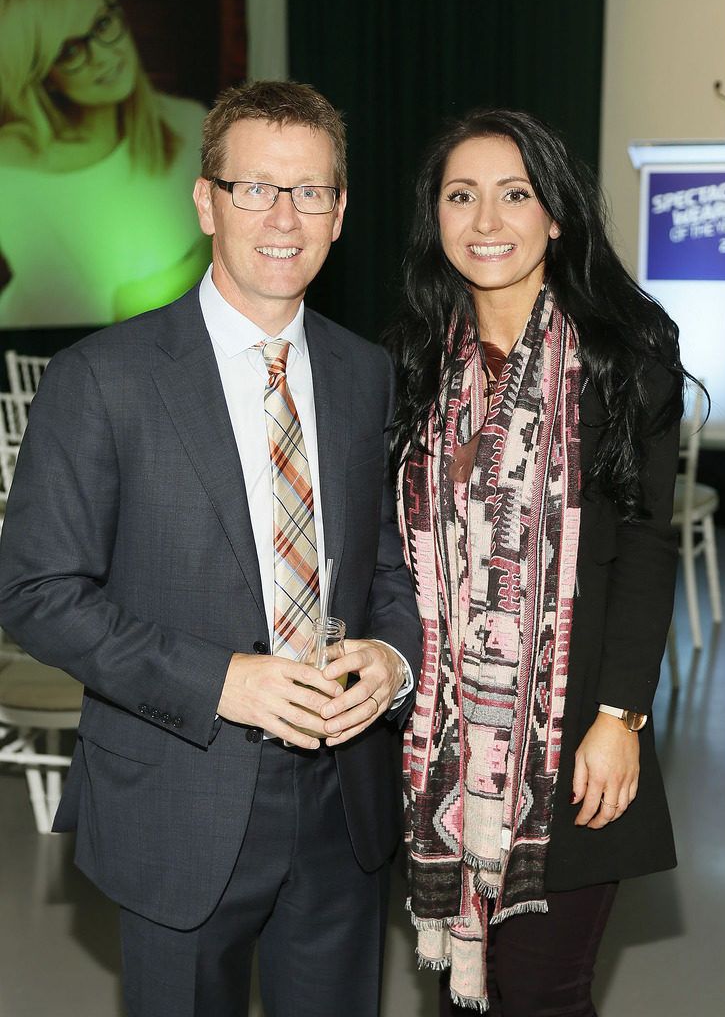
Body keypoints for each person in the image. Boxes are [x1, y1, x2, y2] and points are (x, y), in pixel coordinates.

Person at [0, 79, 422, 1017]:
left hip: (343, 803)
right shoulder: (101, 379)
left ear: (341, 211)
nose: (284, 216)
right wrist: (222, 681)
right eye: (255, 188)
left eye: (311, 191)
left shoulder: (366, 375)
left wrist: (391, 661)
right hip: (176, 799)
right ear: (206, 200)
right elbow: (35, 591)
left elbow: (392, 565)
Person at [384, 108, 687, 1015]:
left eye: (514, 195)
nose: (486, 221)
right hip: (438, 742)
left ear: (556, 214)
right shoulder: (409, 361)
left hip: (572, 731)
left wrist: (619, 716)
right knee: (461, 999)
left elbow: (643, 543)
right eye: (461, 196)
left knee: (542, 990)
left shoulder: (621, 357)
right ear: (434, 220)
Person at [0, 0, 210, 327]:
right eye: (70, 51)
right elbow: (120, 311)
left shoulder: (187, 122)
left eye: (101, 23)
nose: (102, 55)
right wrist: (218, 246)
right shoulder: (11, 170)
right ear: (42, 73)